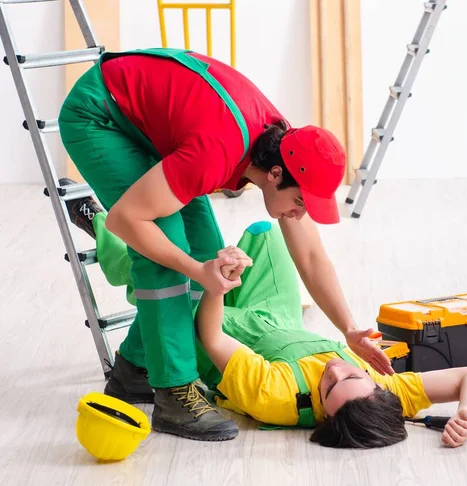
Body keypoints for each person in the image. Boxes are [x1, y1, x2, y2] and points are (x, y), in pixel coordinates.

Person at [58, 47, 394, 442]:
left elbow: (311, 255)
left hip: (148, 123)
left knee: (206, 254)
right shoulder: (218, 151)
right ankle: (173, 393)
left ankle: (135, 368)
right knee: (167, 249)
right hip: (101, 114)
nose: (300, 214)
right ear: (274, 174)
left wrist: (350, 328)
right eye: (300, 202)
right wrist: (192, 269)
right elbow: (125, 220)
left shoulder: (286, 149)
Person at [65, 201, 467, 449]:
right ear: (377, 387)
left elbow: (211, 336)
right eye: (352, 372)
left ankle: (108, 228)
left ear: (321, 416)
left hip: (223, 329)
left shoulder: (275, 397)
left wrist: (215, 281)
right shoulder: (382, 394)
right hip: (279, 316)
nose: (335, 368)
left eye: (328, 386)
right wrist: (466, 411)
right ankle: (220, 262)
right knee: (265, 231)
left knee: (169, 282)